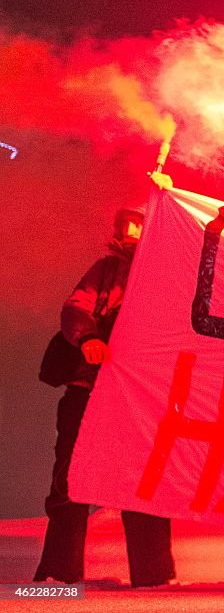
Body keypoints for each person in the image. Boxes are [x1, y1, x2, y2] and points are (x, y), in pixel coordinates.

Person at [34, 206, 176, 588]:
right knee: (70, 483)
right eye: (131, 226)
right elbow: (76, 307)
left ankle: (154, 579)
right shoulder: (108, 270)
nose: (135, 233)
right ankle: (58, 579)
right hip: (88, 393)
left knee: (144, 485)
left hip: (140, 400)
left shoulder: (172, 277)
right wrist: (88, 336)